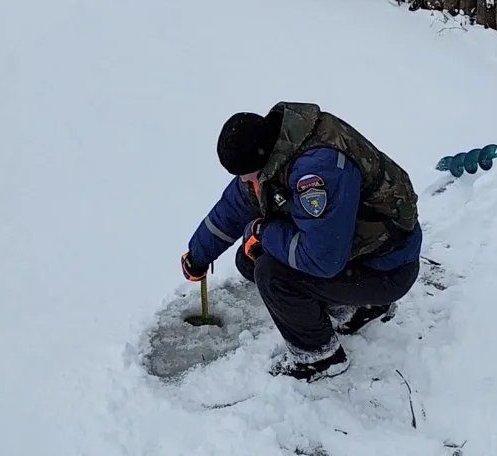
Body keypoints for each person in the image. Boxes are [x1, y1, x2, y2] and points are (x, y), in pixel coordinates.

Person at [179, 101, 422, 382]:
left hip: (387, 268)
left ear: (260, 160)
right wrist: (198, 256)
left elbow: (322, 260)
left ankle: (319, 357)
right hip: (359, 250)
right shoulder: (279, 145)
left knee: (271, 274)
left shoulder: (317, 172)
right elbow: (234, 207)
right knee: (249, 259)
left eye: (245, 174)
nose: (243, 180)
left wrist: (264, 232)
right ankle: (355, 310)